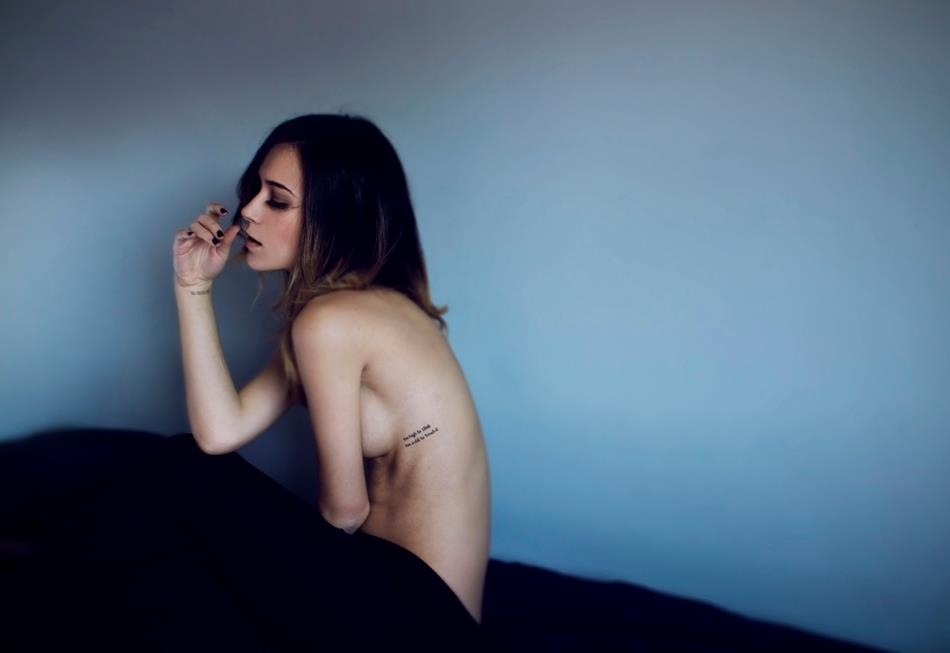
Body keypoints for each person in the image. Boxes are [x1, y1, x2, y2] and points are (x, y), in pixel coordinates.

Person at [114, 112, 488, 648]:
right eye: (254, 192)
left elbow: (345, 511)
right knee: (184, 478)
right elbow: (219, 433)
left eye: (277, 200)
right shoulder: (372, 309)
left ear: (337, 219)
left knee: (178, 471)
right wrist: (191, 285)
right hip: (434, 617)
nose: (248, 211)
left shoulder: (331, 322)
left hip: (417, 620)